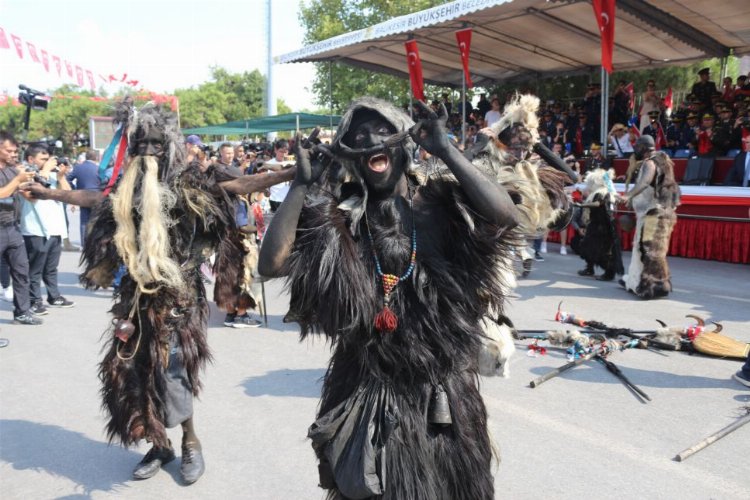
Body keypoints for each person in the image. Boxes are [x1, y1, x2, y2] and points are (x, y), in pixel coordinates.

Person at [258, 97, 520, 499]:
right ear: (351, 155)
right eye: (359, 135)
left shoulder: (438, 208)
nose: (370, 139)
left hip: (442, 394)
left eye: (382, 131)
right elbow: (272, 264)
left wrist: (446, 149)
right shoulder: (339, 222)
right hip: (368, 395)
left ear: (403, 145)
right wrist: (300, 187)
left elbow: (503, 217)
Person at [22, 102, 296, 484]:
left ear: (168, 146)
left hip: (180, 299)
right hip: (135, 299)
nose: (148, 152)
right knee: (137, 370)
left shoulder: (189, 185)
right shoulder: (128, 187)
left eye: (155, 144)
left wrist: (295, 172)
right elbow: (95, 199)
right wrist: (50, 195)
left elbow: (239, 185)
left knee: (175, 370)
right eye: (142, 144)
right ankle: (159, 444)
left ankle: (190, 443)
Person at [618, 135, 681, 299]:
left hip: (653, 213)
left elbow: (645, 182)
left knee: (648, 251)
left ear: (643, 147)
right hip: (660, 211)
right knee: (652, 250)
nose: (635, 149)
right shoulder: (664, 162)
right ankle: (637, 281)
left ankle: (651, 287)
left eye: (637, 146)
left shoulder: (650, 162)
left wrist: (628, 196)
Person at [19, 143, 75, 316]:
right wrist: (45, 172)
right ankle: (34, 301)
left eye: (49, 159)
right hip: (36, 229)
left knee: (51, 267)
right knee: (35, 269)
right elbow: (33, 198)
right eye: (43, 159)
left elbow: (68, 195)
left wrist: (60, 177)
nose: (48, 162)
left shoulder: (50, 175)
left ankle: (54, 296)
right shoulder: (24, 175)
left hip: (55, 229)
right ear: (31, 159)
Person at [0, 131, 40, 325]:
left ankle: (22, 312)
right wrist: (17, 181)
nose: (13, 154)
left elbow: (28, 197)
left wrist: (32, 188)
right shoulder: (13, 175)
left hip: (13, 228)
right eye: (9, 150)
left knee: (21, 271)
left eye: (15, 151)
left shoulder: (12, 171)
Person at [576, 169, 623, 281]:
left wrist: (583, 205)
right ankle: (589, 268)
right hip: (597, 224)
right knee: (587, 246)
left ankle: (609, 272)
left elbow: (598, 203)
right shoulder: (601, 192)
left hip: (602, 226)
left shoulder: (602, 192)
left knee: (601, 250)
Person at [67, 149, 101, 246]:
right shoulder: (99, 168)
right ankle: (95, 243)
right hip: (96, 196)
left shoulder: (78, 167)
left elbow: (68, 179)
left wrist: (75, 189)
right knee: (96, 220)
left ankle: (84, 244)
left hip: (82, 196)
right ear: (96, 157)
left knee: (84, 221)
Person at [262, 139, 294, 212]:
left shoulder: (292, 164)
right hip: (274, 199)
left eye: (285, 152)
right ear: (275, 150)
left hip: (289, 200)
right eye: (281, 151)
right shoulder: (268, 164)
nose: (283, 154)